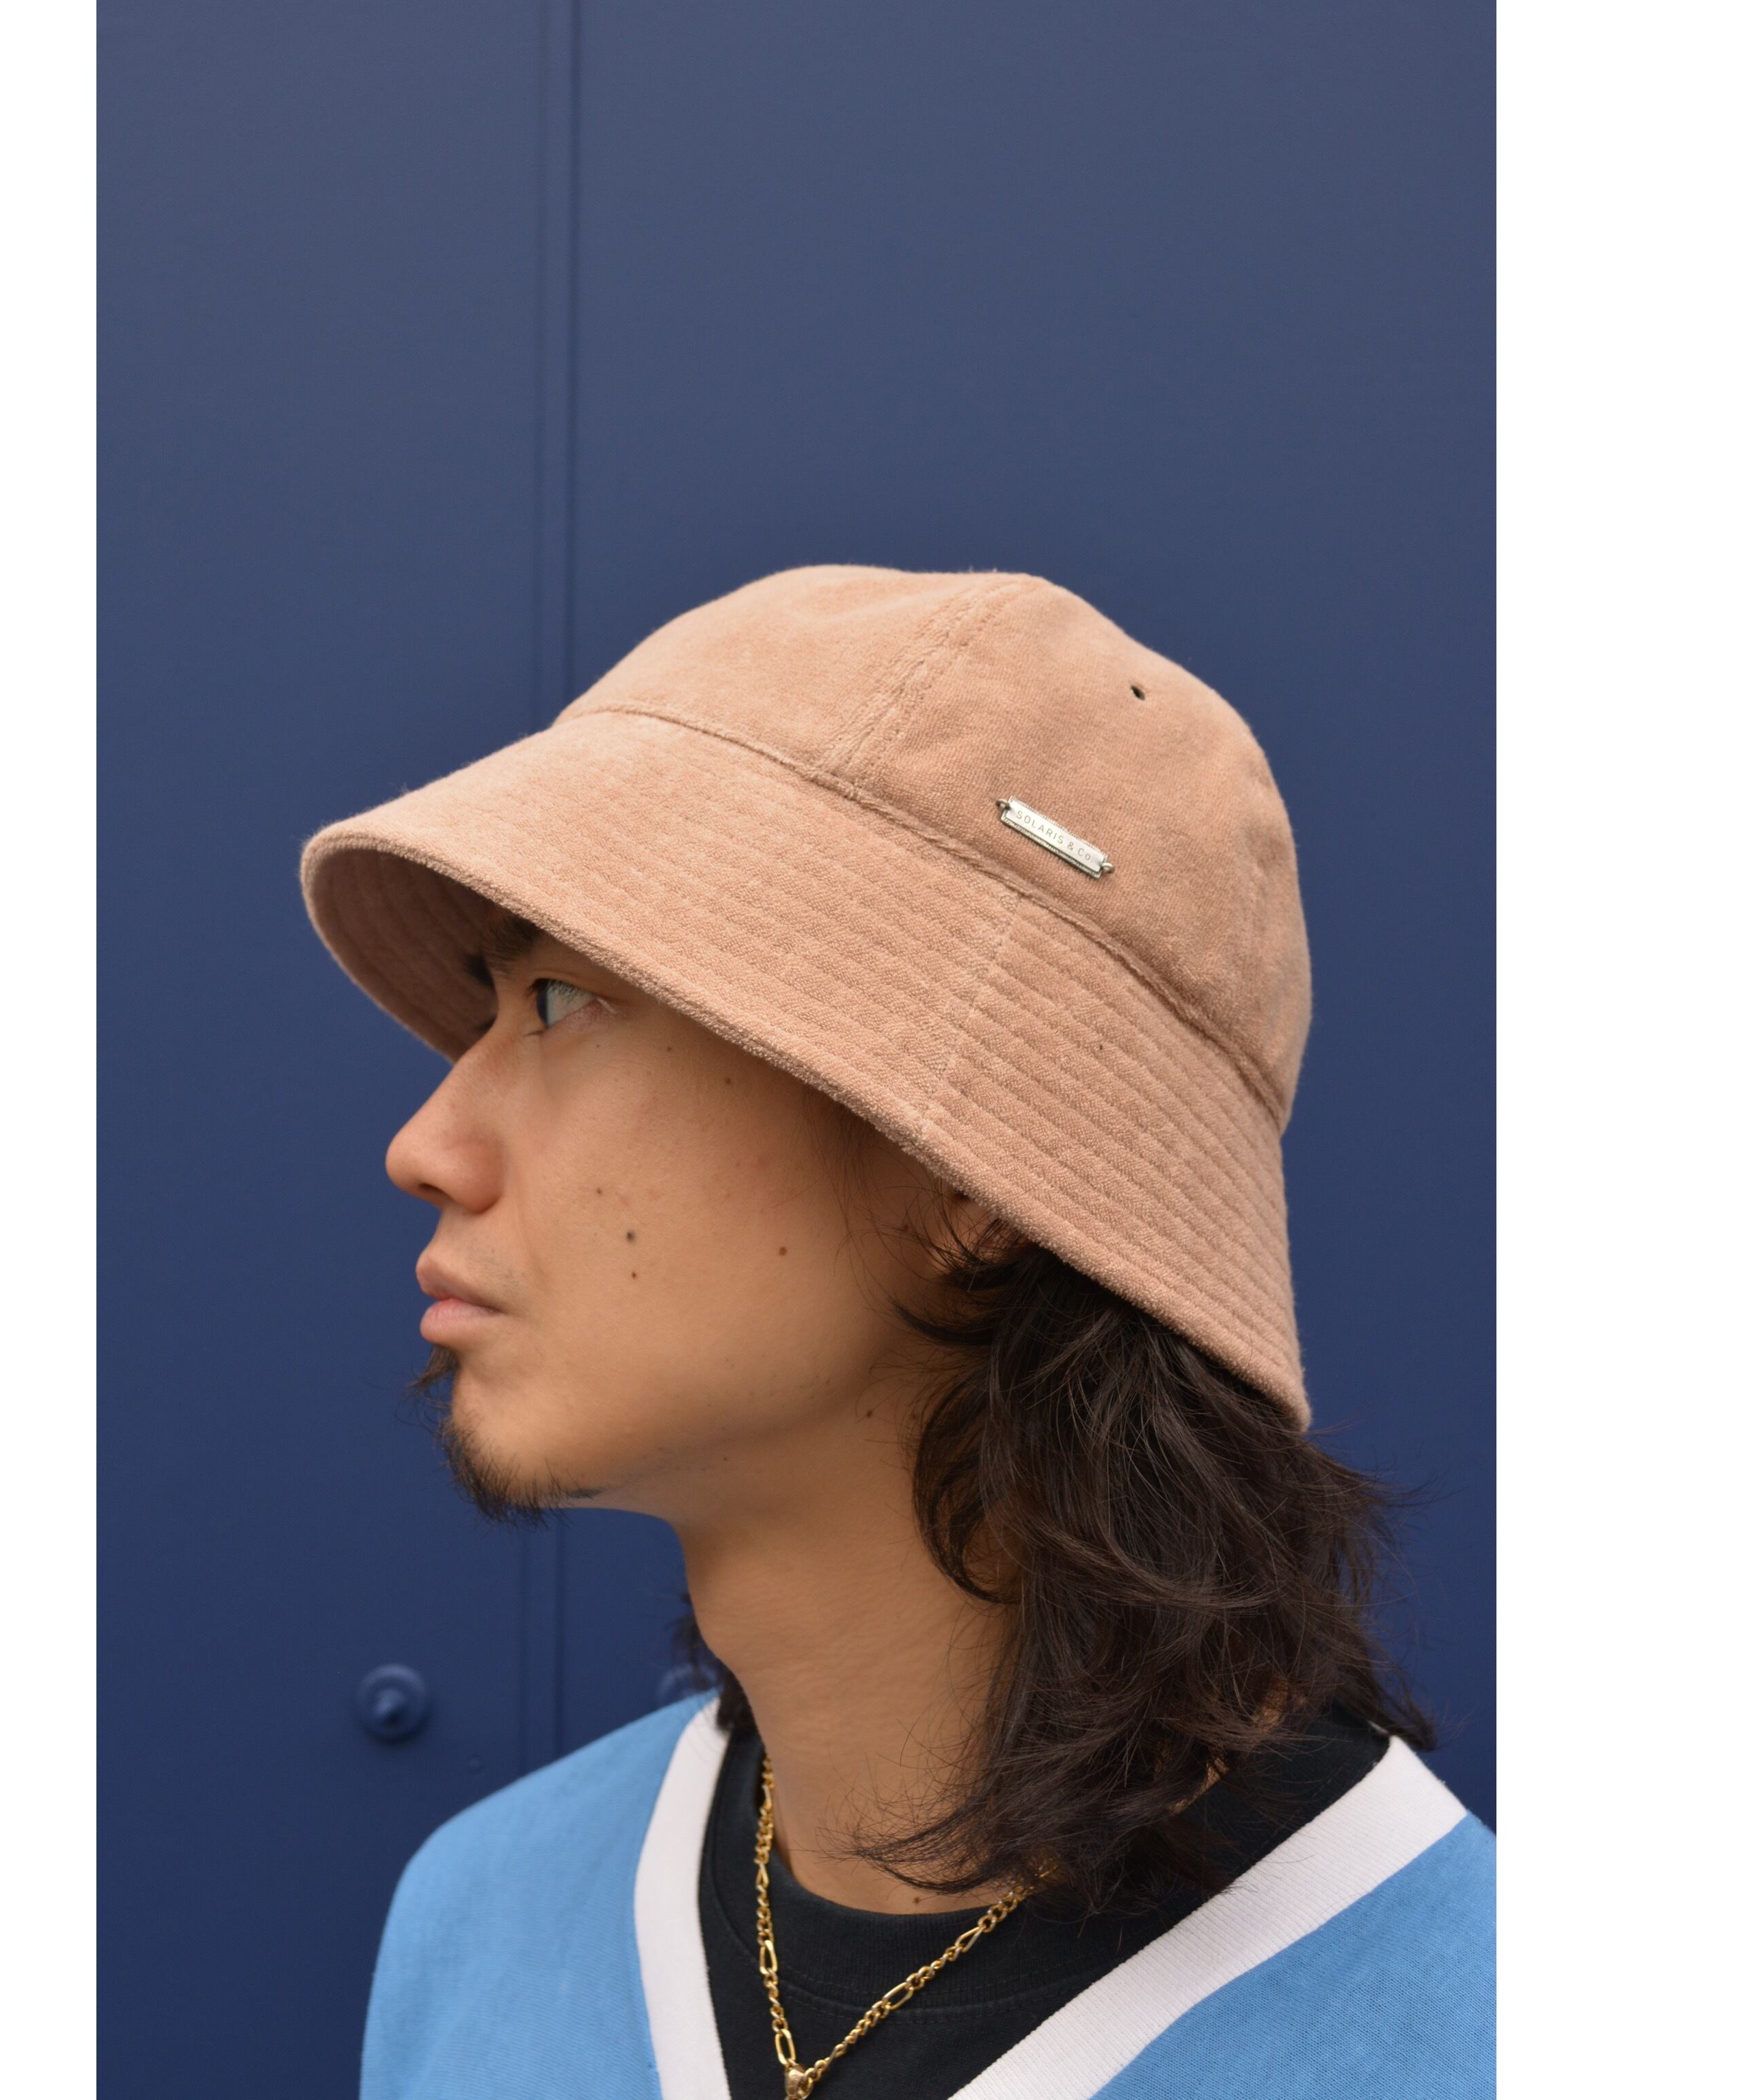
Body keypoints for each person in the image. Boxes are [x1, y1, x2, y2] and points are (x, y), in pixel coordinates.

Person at [299, 565, 1494, 2099]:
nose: (425, 1146)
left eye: (561, 1003)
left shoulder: (1474, 2034)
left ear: (970, 1178)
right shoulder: (486, 1922)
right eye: (492, 1008)